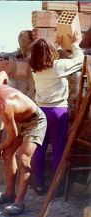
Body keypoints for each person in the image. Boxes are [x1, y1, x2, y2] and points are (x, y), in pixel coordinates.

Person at [0, 71, 47, 216]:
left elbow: (13, 136)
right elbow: (3, 73)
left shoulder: (5, 109)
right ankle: (10, 194)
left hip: (35, 122)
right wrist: (5, 86)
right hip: (18, 120)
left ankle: (18, 203)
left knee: (24, 159)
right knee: (7, 154)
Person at [29, 32, 84, 195]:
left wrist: (57, 45)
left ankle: (39, 184)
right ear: (51, 52)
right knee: (59, 149)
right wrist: (75, 44)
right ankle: (56, 187)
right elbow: (79, 61)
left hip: (39, 112)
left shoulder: (35, 69)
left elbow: (45, 57)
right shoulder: (59, 66)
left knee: (39, 148)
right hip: (57, 112)